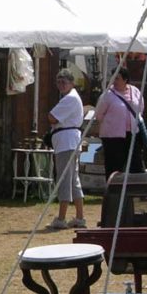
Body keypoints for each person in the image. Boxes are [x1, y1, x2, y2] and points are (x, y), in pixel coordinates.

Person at [47, 69, 86, 229]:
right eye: (59, 82)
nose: (61, 85)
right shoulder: (71, 98)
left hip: (67, 141)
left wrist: (53, 121)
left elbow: (51, 117)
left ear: (71, 83)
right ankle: (79, 217)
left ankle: (62, 218)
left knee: (64, 178)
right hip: (68, 140)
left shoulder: (69, 99)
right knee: (72, 179)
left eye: (64, 82)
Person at [93, 66, 146, 178]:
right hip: (113, 137)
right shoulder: (107, 95)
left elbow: (140, 108)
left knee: (136, 164)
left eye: (117, 78)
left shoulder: (135, 91)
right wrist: (112, 123)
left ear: (125, 79)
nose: (114, 81)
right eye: (113, 78)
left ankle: (136, 190)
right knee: (114, 166)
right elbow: (99, 114)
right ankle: (113, 191)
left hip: (132, 134)